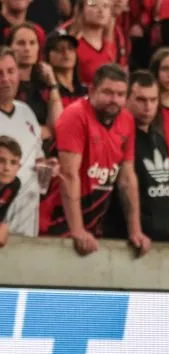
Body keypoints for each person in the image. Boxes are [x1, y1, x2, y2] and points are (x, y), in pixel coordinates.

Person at [38, 63, 148, 256]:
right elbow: (68, 175)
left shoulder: (126, 120)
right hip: (56, 219)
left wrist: (135, 230)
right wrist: (77, 229)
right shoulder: (75, 115)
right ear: (92, 90)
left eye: (120, 94)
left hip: (93, 221)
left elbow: (127, 178)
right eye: (107, 92)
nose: (114, 100)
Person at [113, 70, 169, 242]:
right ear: (126, 99)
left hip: (167, 236)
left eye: (153, 100)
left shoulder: (159, 138)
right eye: (141, 100)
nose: (148, 107)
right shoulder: (118, 138)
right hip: (131, 239)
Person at [0, 47, 45, 238]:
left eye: (10, 71)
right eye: (0, 73)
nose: (5, 79)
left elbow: (37, 158)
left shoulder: (26, 112)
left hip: (27, 222)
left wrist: (47, 165)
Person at [0, 135, 22, 246]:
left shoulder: (14, 184)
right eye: (1, 160)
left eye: (13, 162)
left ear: (19, 167)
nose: (7, 168)